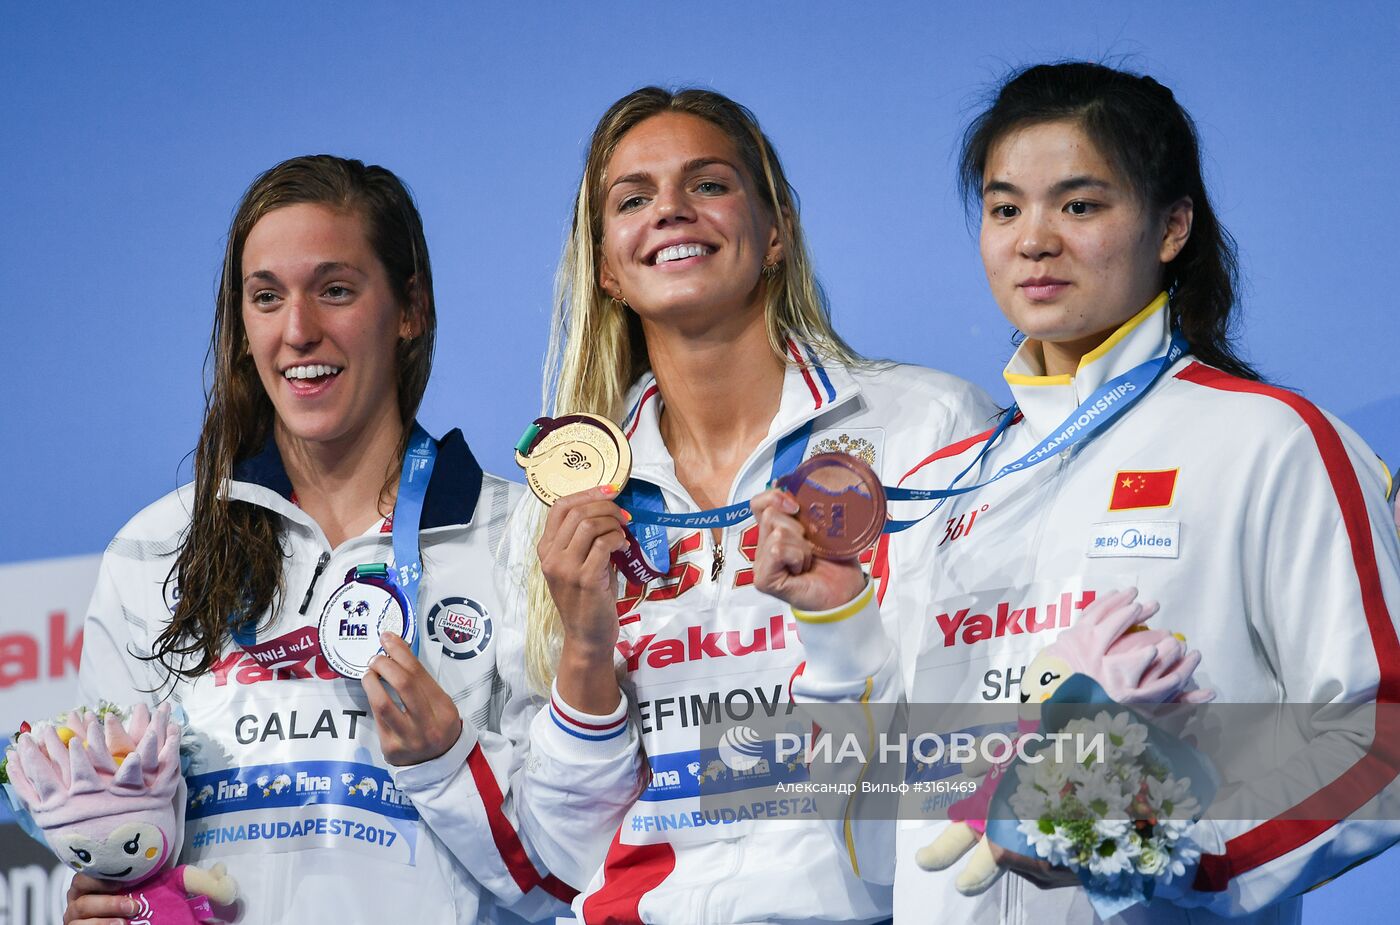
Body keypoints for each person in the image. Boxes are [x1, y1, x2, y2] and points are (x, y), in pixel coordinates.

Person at [753, 61, 1400, 923]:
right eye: (1005, 207)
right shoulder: (944, 484)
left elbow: (1380, 734)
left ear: (1172, 226)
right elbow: (873, 832)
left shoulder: (1270, 441)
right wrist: (838, 629)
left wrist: (1165, 840)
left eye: (1081, 205)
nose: (1034, 239)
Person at [497, 86, 997, 924]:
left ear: (776, 232)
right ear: (607, 267)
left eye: (710, 184)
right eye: (633, 199)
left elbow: (974, 736)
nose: (671, 212)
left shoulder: (927, 425)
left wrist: (842, 628)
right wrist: (585, 647)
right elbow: (559, 850)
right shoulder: (561, 506)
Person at [67, 155, 589, 925]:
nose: (298, 330)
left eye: (335, 290)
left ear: (410, 308)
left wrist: (449, 758)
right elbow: (121, 844)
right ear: (241, 326)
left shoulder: (517, 539)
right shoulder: (155, 551)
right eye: (267, 297)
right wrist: (116, 900)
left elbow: (576, 873)